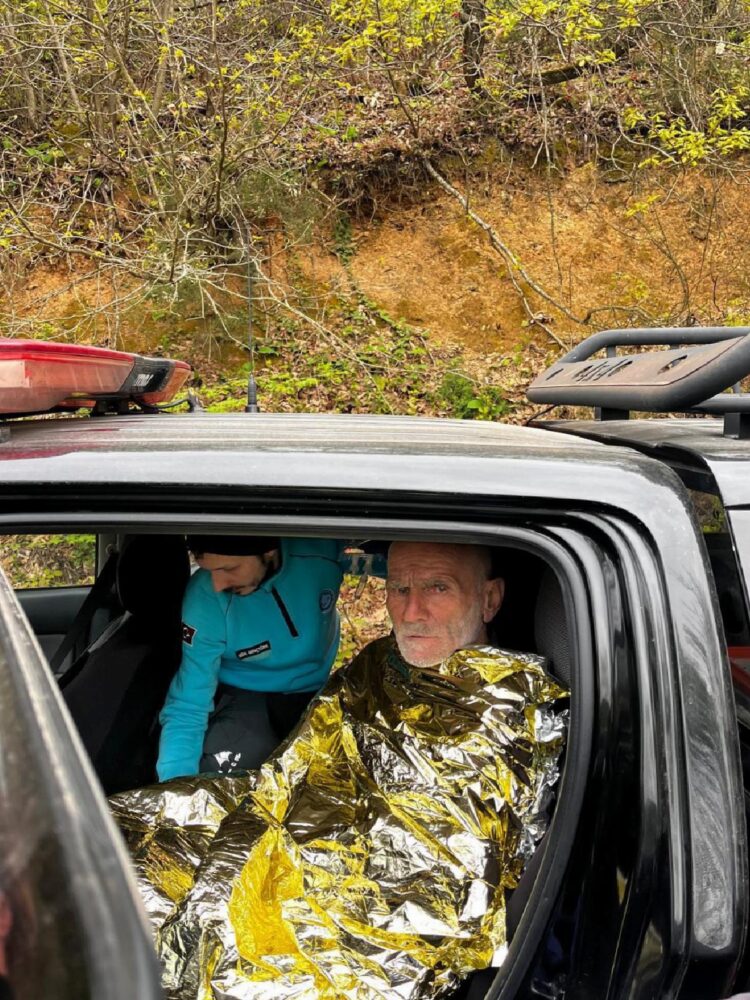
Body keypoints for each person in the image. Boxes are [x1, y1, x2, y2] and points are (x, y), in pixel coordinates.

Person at [157, 535, 368, 781]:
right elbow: (189, 702)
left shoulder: (319, 549)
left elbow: (402, 560)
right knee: (227, 786)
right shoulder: (205, 599)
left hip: (316, 691)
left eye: (229, 568)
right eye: (209, 570)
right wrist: (175, 785)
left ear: (268, 552)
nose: (218, 583)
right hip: (244, 695)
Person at [384, 539, 505, 666]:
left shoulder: (521, 683)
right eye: (400, 590)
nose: (410, 616)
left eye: (439, 588)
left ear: (490, 600)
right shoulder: (372, 665)